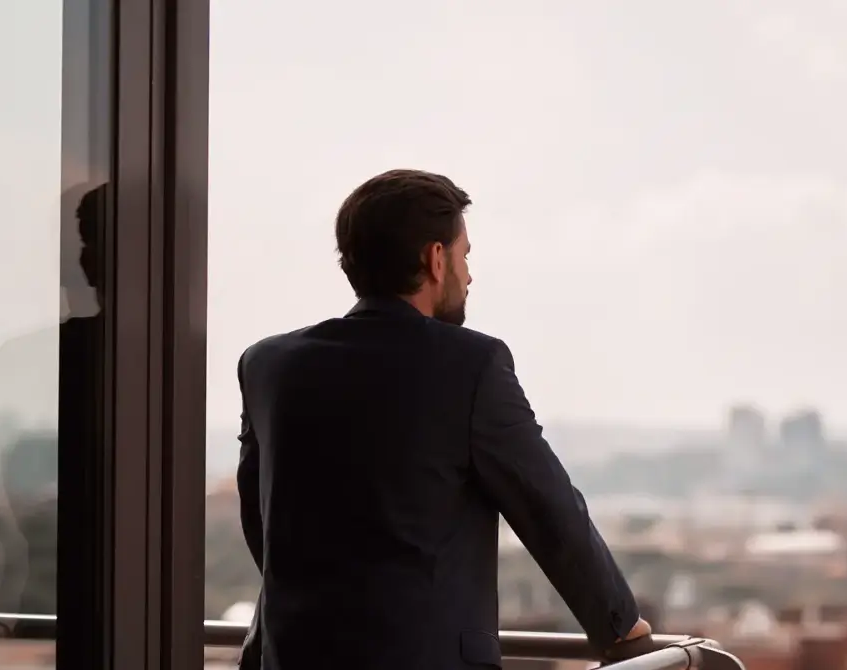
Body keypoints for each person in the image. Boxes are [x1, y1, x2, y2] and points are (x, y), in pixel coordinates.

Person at [234, 169, 650, 669]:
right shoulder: (472, 366)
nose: (469, 274)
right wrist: (619, 626)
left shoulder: (267, 365)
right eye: (465, 255)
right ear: (436, 259)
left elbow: (261, 521)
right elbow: (549, 510)